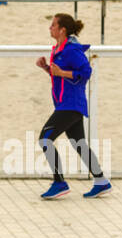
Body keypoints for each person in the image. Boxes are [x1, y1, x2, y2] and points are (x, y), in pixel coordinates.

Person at [35, 13, 111, 199]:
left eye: (53, 25)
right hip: (66, 104)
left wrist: (61, 72)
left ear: (63, 30)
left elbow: (85, 72)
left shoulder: (71, 50)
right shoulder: (58, 49)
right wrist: (48, 69)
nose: (50, 28)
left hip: (70, 106)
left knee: (45, 139)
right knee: (79, 144)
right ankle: (101, 181)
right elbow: (62, 77)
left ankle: (59, 183)